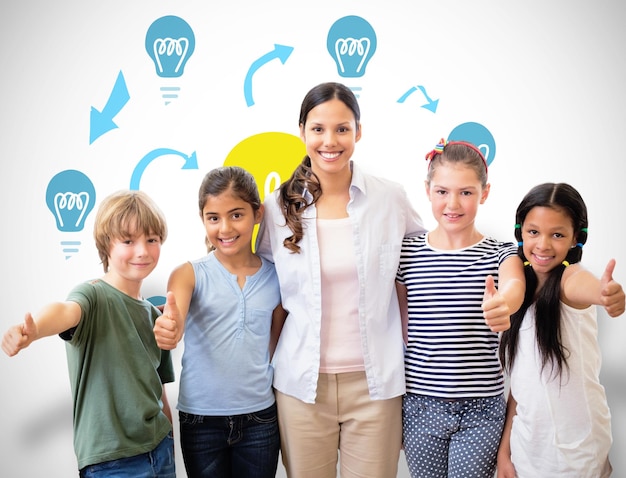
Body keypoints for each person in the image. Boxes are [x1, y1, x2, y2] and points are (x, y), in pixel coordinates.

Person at [255, 81, 426, 477]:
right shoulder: (277, 207)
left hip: (376, 386)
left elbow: (422, 268)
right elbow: (266, 294)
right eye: (318, 129)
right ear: (302, 132)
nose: (329, 141)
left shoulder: (390, 199)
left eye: (342, 129)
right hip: (300, 387)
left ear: (358, 132)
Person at [2, 189, 176, 478]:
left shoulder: (155, 315)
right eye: (128, 241)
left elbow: (158, 389)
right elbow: (65, 311)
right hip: (112, 462)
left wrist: (169, 438)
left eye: (152, 239)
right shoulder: (93, 295)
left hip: (159, 450)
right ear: (107, 244)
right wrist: (32, 332)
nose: (143, 250)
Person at [396, 139, 526, 478]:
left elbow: (514, 286)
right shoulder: (407, 251)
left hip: (481, 411)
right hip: (420, 406)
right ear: (427, 190)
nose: (452, 203)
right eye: (442, 192)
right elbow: (393, 323)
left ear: (484, 193)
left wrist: (503, 304)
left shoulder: (501, 253)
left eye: (466, 193)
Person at [153, 166, 285, 478]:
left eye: (236, 215)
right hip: (201, 420)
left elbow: (277, 345)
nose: (224, 228)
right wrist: (169, 329)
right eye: (214, 218)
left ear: (257, 214)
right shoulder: (188, 274)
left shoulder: (277, 275)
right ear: (203, 219)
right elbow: (176, 321)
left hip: (260, 418)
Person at [497, 182, 625, 478]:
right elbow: (521, 386)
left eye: (557, 234)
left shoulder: (570, 279)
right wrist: (506, 452)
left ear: (575, 239)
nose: (542, 245)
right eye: (533, 232)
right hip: (527, 449)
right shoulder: (518, 286)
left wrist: (606, 294)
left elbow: (587, 287)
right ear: (520, 232)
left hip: (577, 455)